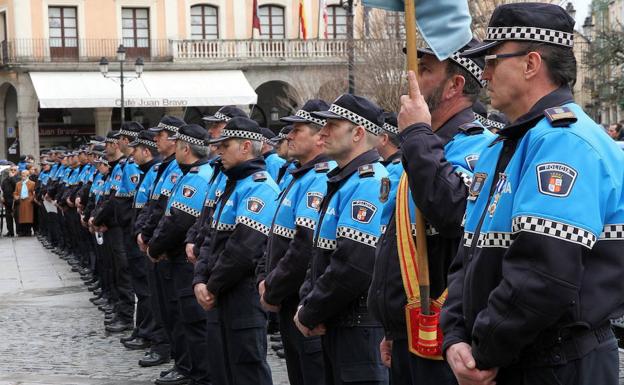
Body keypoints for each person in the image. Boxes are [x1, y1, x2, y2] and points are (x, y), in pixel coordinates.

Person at [435, 4, 624, 385]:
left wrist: (483, 350)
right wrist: (454, 335)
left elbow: (544, 274)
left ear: (531, 63)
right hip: (513, 357)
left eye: (491, 60)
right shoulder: (502, 147)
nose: (483, 74)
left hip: (556, 363)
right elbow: (468, 257)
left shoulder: (564, 142)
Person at [294, 94, 390, 385]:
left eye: (332, 126)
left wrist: (310, 310)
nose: (322, 132)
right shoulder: (345, 181)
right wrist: (308, 303)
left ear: (358, 133)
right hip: (337, 321)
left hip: (358, 329)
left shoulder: (369, 182)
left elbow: (354, 265)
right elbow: (320, 255)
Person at [193, 117, 277, 385]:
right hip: (219, 295)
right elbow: (209, 236)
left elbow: (244, 249)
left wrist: (212, 286)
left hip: (242, 296)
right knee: (221, 368)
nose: (219, 151)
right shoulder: (232, 184)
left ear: (245, 147)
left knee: (247, 371)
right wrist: (199, 280)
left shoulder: (259, 186)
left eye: (225, 145)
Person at [257, 99, 332, 385]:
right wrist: (265, 279)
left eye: (296, 129)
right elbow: (276, 238)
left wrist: (272, 289)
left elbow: (303, 247)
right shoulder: (298, 174)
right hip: (287, 298)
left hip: (304, 299)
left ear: (319, 136)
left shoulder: (320, 177)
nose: (287, 135)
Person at [13, 169, 35, 236]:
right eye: (22, 174)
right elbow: (15, 192)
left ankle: (28, 231)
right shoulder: (18, 184)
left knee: (28, 218)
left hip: (28, 203)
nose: (23, 175)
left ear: (28, 175)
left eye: (24, 174)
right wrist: (15, 196)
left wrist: (30, 200)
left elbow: (34, 193)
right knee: (21, 218)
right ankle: (22, 232)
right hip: (21, 202)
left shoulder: (32, 183)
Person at [2, 166, 18, 236]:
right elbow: (2, 188)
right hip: (7, 201)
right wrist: (2, 197)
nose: (13, 171)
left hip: (15, 201)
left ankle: (19, 231)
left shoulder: (18, 178)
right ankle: (10, 232)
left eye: (14, 170)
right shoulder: (5, 180)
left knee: (17, 217)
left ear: (17, 171)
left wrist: (12, 178)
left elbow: (16, 185)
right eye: (11, 170)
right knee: (8, 218)